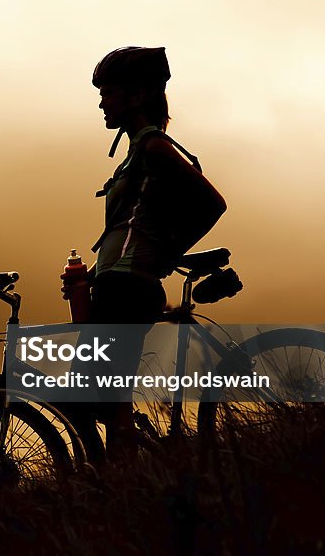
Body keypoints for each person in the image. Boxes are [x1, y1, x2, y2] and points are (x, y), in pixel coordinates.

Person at [64, 46, 226, 462]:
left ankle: (128, 479)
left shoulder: (154, 147)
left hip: (129, 283)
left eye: (109, 92)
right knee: (95, 393)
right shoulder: (137, 151)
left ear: (137, 96)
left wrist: (167, 253)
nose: (101, 101)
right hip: (114, 281)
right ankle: (133, 467)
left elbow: (212, 204)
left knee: (104, 396)